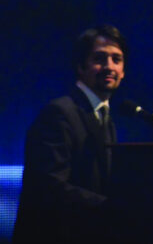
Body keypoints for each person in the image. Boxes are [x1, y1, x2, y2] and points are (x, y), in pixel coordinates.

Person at [13, 24, 127, 243]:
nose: (109, 66)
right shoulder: (60, 113)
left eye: (117, 59)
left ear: (123, 72)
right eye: (100, 58)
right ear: (80, 66)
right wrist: (110, 207)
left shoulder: (106, 117)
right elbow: (49, 186)